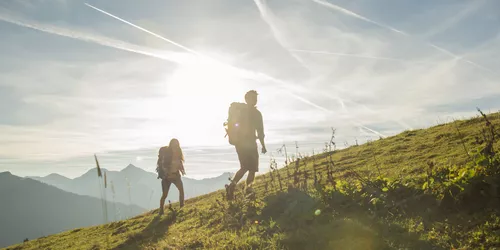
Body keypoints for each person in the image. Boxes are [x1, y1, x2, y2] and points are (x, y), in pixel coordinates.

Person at [226, 90, 267, 200]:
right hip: (249, 144)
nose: (254, 100)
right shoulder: (256, 114)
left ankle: (233, 187)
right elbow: (260, 131)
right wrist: (263, 145)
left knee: (246, 168)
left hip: (241, 144)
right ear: (247, 99)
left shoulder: (241, 111)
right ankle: (247, 190)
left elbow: (260, 131)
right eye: (253, 98)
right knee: (251, 168)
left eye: (255, 98)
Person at [157, 138, 186, 215]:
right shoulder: (167, 155)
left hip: (176, 176)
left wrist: (182, 170)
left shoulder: (178, 153)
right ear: (171, 145)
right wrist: (166, 173)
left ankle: (182, 207)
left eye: (176, 145)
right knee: (165, 194)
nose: (175, 146)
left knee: (181, 191)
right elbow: (163, 165)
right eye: (174, 145)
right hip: (167, 178)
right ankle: (161, 211)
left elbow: (179, 163)